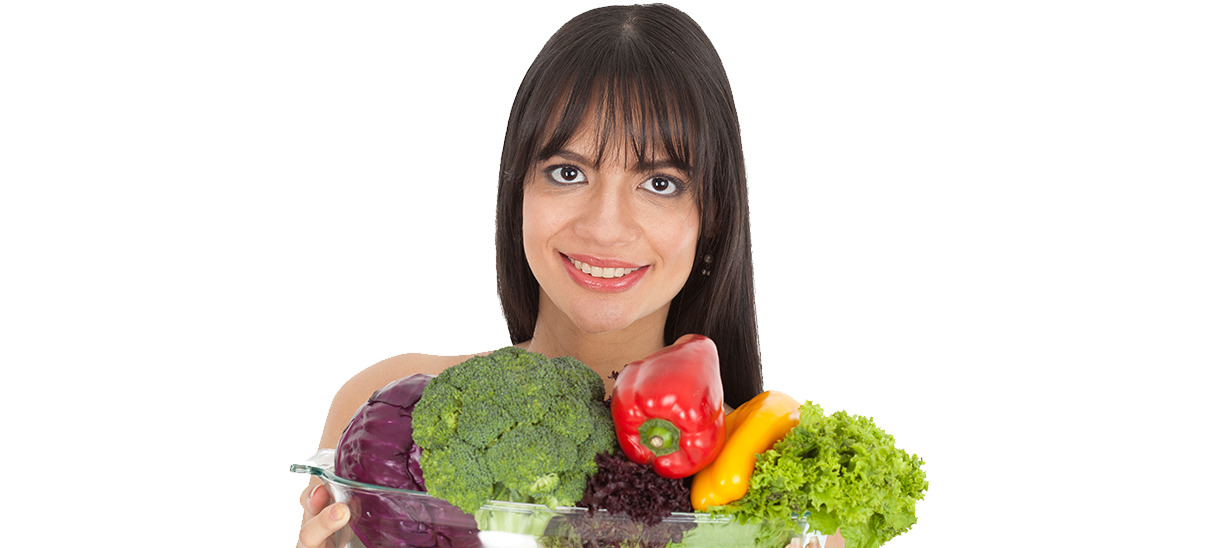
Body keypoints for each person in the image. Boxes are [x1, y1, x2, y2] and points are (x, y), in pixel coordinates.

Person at [297, 3, 838, 547]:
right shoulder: (389, 411)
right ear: (519, 193)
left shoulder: (768, 483)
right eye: (568, 172)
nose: (605, 228)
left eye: (660, 183)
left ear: (712, 215)